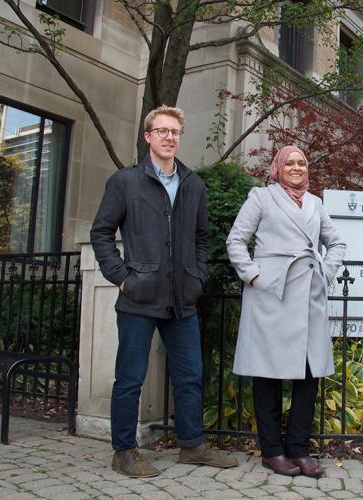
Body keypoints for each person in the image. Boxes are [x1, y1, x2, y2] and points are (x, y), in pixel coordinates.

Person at [91, 105, 238, 477]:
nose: (169, 137)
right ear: (148, 137)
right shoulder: (125, 181)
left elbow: (202, 238)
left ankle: (192, 445)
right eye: (162, 131)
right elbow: (101, 233)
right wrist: (122, 277)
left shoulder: (193, 184)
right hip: (139, 297)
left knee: (190, 375)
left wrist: (197, 276)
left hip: (182, 299)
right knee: (130, 378)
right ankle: (124, 451)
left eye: (174, 132)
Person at [226, 145, 346, 478]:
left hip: (308, 296)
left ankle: (299, 449)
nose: (296, 167)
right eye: (290, 163)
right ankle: (272, 451)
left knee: (309, 377)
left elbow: (336, 243)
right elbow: (236, 240)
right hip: (270, 296)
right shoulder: (261, 197)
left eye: (302, 163)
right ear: (278, 167)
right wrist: (254, 275)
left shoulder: (315, 203)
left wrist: (326, 271)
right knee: (268, 376)